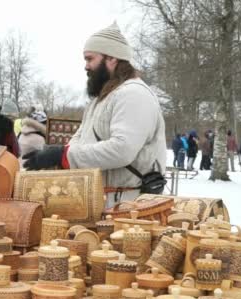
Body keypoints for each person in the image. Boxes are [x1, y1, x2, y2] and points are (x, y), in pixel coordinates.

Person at [22, 22, 166, 207]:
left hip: (130, 207)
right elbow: (79, 140)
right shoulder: (100, 100)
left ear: (112, 58)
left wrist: (64, 156)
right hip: (103, 202)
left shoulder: (134, 94)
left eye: (90, 59)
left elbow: (122, 150)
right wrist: (55, 157)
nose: (86, 66)